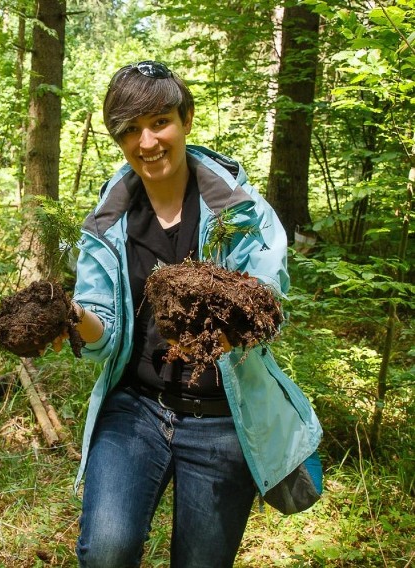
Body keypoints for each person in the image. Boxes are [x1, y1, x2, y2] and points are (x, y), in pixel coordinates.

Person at [58, 61, 323, 567]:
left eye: (160, 121)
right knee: (106, 552)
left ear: (186, 118)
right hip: (135, 407)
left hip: (223, 415)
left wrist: (230, 329)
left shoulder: (241, 213)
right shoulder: (108, 222)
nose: (148, 141)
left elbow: (267, 304)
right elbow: (101, 334)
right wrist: (70, 317)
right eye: (130, 130)